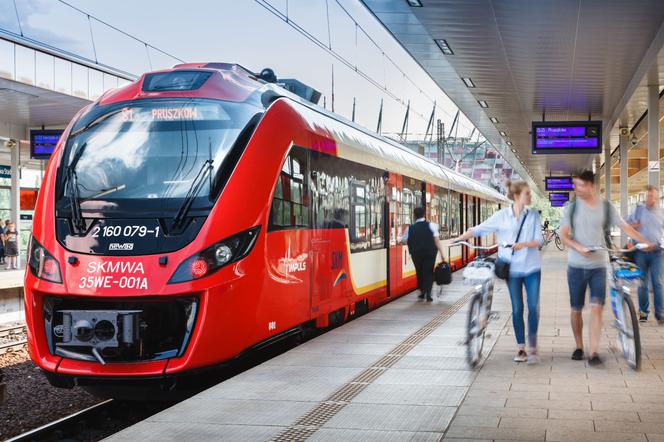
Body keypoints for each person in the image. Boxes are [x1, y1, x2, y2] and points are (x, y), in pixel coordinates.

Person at [560, 170, 652, 366]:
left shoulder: (607, 208)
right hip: (576, 266)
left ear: (591, 186)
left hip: (599, 266)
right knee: (576, 308)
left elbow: (626, 227)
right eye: (575, 185)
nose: (576, 189)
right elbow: (564, 236)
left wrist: (645, 241)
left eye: (580, 185)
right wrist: (579, 247)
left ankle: (593, 351)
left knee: (597, 308)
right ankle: (579, 346)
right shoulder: (571, 208)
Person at [453, 181, 543, 364]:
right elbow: (478, 229)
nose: (530, 196)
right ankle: (521, 348)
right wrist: (459, 239)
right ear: (518, 195)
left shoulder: (533, 216)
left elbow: (539, 240)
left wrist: (524, 244)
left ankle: (533, 346)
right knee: (517, 309)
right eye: (527, 193)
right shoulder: (501, 216)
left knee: (533, 307)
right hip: (512, 269)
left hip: (532, 268)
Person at [627, 185, 664, 324]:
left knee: (658, 283)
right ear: (645, 196)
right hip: (641, 253)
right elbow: (626, 224)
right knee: (642, 283)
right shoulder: (638, 210)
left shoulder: (662, 212)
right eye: (649, 196)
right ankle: (643, 312)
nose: (651, 199)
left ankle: (660, 313)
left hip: (657, 252)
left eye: (653, 196)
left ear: (657, 197)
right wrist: (633, 225)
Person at [401, 206, 446, 302]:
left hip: (416, 253)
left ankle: (422, 292)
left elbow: (404, 239)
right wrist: (442, 254)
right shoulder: (432, 225)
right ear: (424, 214)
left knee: (419, 271)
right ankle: (428, 294)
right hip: (430, 253)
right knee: (428, 272)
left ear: (414, 216)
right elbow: (437, 240)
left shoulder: (410, 228)